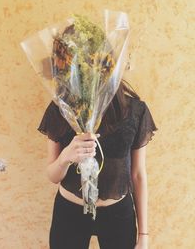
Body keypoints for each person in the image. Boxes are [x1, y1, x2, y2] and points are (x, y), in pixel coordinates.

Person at [37, 79, 158, 249]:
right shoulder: (61, 108)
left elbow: (138, 175)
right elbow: (52, 176)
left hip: (117, 214)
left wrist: (143, 235)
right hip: (69, 213)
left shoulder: (134, 110)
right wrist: (66, 156)